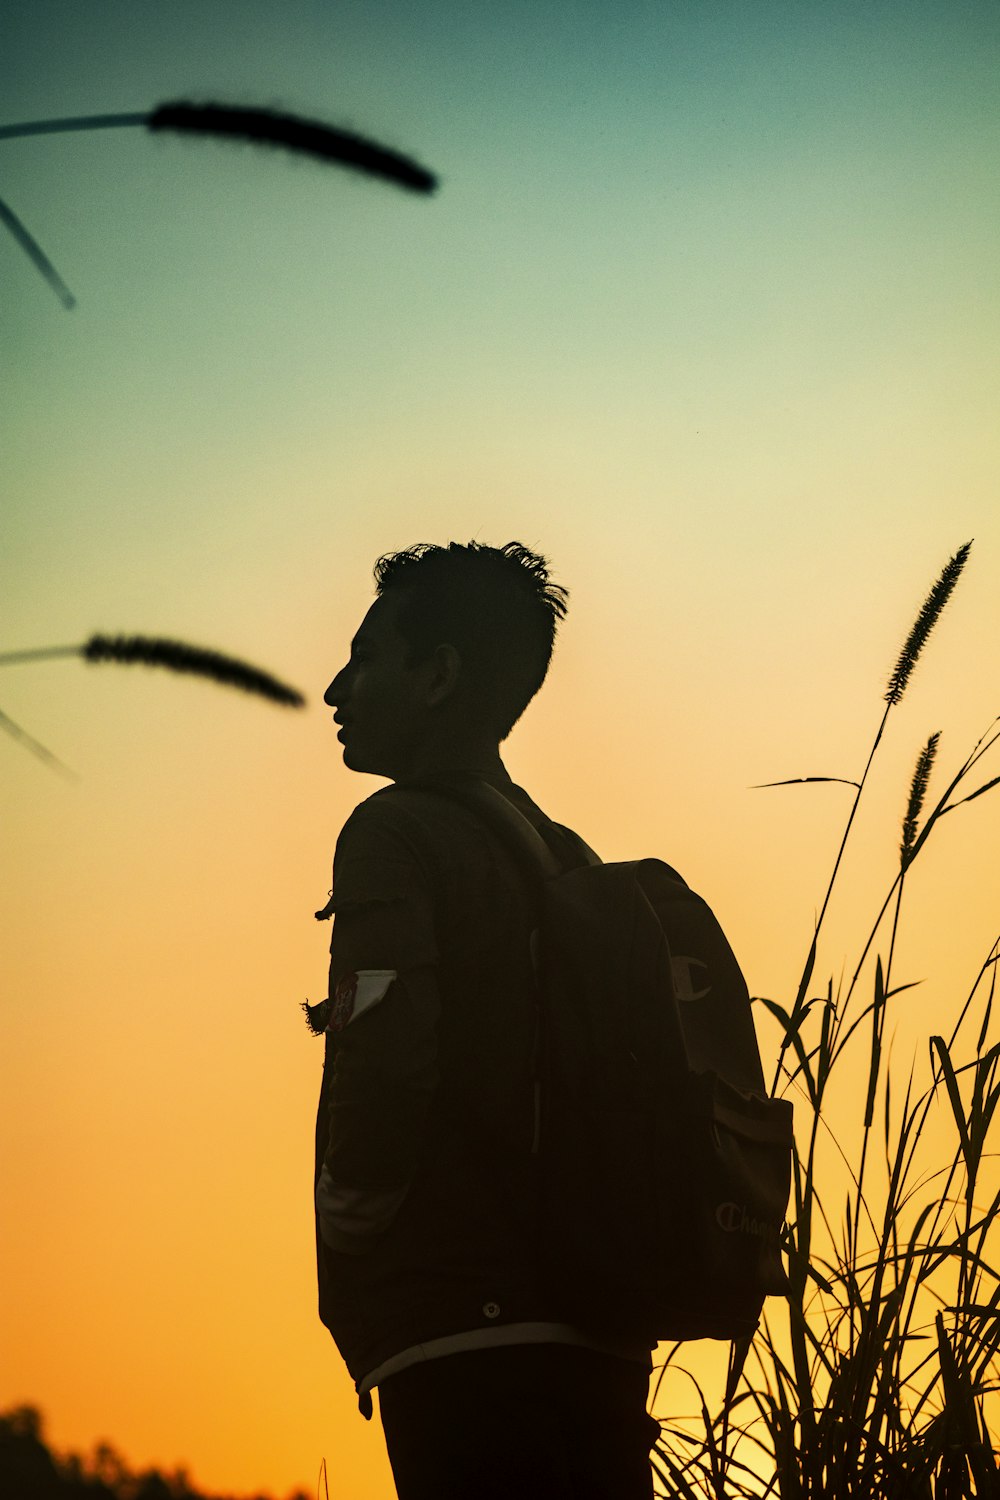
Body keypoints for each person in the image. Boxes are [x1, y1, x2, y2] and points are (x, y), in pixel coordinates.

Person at [309, 542, 659, 1500]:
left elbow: (383, 1038)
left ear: (440, 676)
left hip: (460, 1327)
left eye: (366, 658)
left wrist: (348, 1221)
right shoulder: (565, 855)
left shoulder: (391, 832)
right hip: (598, 1327)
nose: (336, 689)